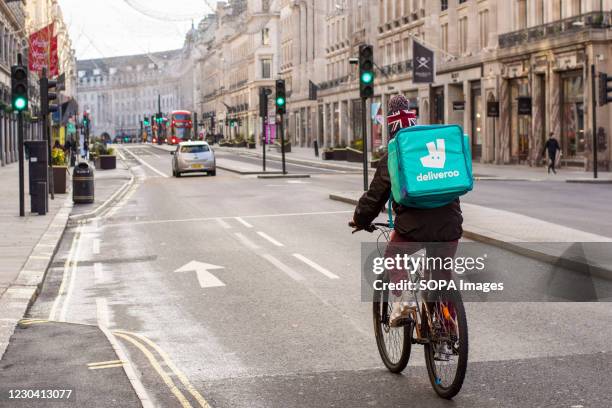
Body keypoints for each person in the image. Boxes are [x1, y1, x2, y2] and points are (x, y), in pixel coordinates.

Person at [350, 95, 463, 327]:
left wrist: (360, 220)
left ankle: (403, 299)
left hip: (413, 228)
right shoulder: (433, 144)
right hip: (450, 225)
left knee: (394, 255)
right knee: (441, 277)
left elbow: (374, 198)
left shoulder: (393, 155)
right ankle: (448, 326)